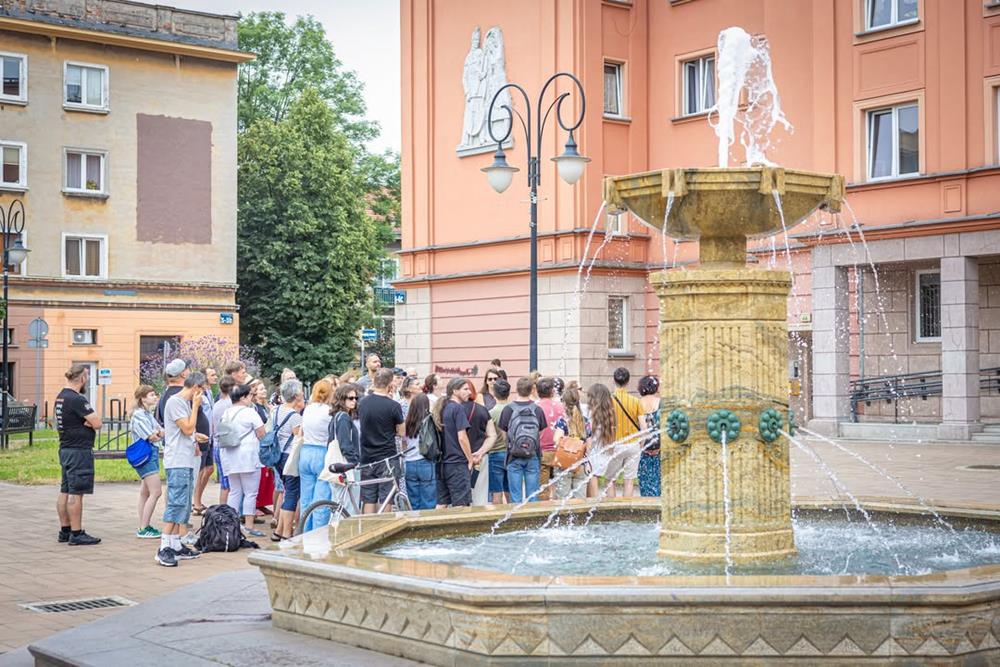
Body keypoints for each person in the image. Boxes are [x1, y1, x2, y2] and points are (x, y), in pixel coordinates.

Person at [157, 372, 206, 567]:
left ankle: (176, 544)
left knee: (184, 503)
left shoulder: (183, 404)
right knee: (176, 502)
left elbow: (187, 432)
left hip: (185, 458)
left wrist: (195, 436)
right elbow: (186, 428)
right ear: (196, 388)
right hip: (176, 459)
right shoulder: (176, 402)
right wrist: (195, 407)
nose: (202, 395)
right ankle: (164, 546)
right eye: (202, 391)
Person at [55, 364, 102, 546]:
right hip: (79, 451)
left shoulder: (61, 397)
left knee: (65, 489)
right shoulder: (77, 399)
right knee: (77, 492)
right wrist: (89, 422)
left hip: (66, 448)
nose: (87, 380)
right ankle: (76, 533)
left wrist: (87, 422)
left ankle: (64, 530)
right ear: (82, 378)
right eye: (87, 377)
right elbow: (97, 422)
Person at [220, 383, 267, 537]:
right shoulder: (250, 413)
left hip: (229, 455)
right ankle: (248, 525)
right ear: (243, 397)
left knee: (235, 491)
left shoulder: (226, 413)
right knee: (250, 493)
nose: (251, 398)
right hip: (248, 456)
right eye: (250, 396)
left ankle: (231, 524)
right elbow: (262, 433)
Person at [359, 368, 406, 513]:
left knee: (368, 497)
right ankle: (383, 528)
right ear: (390, 384)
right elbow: (402, 432)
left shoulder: (363, 403)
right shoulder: (393, 406)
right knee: (387, 496)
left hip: (367, 456)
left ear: (374, 382)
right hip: (387, 457)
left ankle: (367, 528)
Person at [498, 377, 547, 503]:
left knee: (515, 496)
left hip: (513, 456)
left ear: (516, 390)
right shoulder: (537, 409)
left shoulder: (508, 409)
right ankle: (534, 521)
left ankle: (515, 520)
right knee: (533, 495)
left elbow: (504, 434)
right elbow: (540, 432)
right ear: (531, 390)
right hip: (533, 454)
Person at [297, 379, 334, 531]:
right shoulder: (329, 412)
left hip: (305, 452)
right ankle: (318, 533)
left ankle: (304, 532)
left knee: (306, 498)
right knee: (322, 499)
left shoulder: (308, 409)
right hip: (322, 453)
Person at [433, 378, 474, 507]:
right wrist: (470, 458)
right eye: (465, 389)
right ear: (455, 391)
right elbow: (462, 437)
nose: (470, 392)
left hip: (442, 464)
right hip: (457, 463)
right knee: (461, 505)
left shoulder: (442, 407)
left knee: (441, 504)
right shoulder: (458, 409)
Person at [129, 385, 163, 538]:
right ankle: (144, 527)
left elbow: (160, 430)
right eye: (151, 395)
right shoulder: (139, 415)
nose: (155, 397)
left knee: (145, 492)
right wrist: (157, 433)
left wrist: (159, 432)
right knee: (156, 491)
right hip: (146, 455)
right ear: (142, 398)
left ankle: (144, 524)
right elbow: (152, 435)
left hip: (152, 452)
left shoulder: (147, 414)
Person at [272, 379, 305, 541]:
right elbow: (299, 438)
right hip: (289, 456)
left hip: (277, 455)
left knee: (287, 490)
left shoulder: (277, 410)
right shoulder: (295, 417)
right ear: (297, 395)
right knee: (292, 493)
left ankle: (279, 530)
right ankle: (286, 532)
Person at [551, 385, 592, 500]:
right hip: (581, 464)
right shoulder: (586, 421)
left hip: (564, 465)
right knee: (580, 501)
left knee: (563, 501)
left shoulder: (562, 422)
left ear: (564, 403)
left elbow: (556, 440)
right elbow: (589, 446)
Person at [327, 383, 361, 511]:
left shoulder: (337, 416)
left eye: (356, 398)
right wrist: (354, 462)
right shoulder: (344, 417)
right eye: (350, 398)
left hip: (339, 462)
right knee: (348, 505)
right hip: (346, 464)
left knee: (340, 503)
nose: (354, 401)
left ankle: (336, 529)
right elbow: (345, 444)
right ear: (342, 399)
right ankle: (346, 530)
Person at [610, 367, 643, 497]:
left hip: (614, 445)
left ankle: (612, 509)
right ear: (628, 381)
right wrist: (641, 442)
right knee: (629, 481)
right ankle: (626, 511)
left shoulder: (608, 401)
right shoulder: (636, 402)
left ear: (614, 381)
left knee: (610, 479)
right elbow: (644, 426)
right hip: (633, 445)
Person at [585, 383, 621, 499]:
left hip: (593, 452)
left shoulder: (590, 414)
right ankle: (611, 508)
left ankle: (593, 508)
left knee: (592, 477)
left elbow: (589, 436)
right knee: (609, 481)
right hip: (606, 451)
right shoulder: (610, 413)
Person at [402, 393, 436, 510]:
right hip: (425, 461)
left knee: (413, 501)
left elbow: (403, 444)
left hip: (409, 463)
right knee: (428, 500)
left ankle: (415, 523)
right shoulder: (429, 422)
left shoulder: (407, 423)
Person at [465, 381, 497, 505]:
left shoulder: (450, 409)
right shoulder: (482, 410)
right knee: (480, 495)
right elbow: (492, 435)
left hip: (457, 458)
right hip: (480, 458)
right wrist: (481, 452)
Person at [535, 377, 565, 501]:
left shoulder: (534, 407)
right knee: (560, 486)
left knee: (542, 489)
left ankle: (544, 514)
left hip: (541, 451)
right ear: (552, 391)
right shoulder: (561, 407)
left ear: (537, 391)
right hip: (559, 450)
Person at [191, 372, 215, 516]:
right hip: (200, 438)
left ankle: (198, 499)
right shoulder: (198, 396)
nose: (215, 377)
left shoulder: (209, 393)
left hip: (209, 436)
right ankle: (196, 502)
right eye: (212, 375)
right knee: (200, 471)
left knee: (209, 468)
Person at [212, 376, 236, 505]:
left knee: (224, 483)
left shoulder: (217, 404)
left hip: (217, 444)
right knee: (229, 484)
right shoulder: (230, 404)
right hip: (226, 445)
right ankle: (226, 510)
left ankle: (223, 509)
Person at [486, 378, 511, 504]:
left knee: (496, 491)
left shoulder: (490, 413)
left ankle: (498, 520)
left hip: (495, 453)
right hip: (511, 453)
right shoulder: (513, 410)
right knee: (510, 490)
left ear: (494, 394)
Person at [637, 375, 662, 497]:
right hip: (659, 452)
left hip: (642, 452)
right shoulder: (661, 403)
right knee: (659, 485)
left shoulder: (637, 403)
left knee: (645, 486)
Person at [155, 358, 188, 425]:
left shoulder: (165, 395)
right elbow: (185, 427)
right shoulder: (180, 395)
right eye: (187, 369)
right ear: (183, 374)